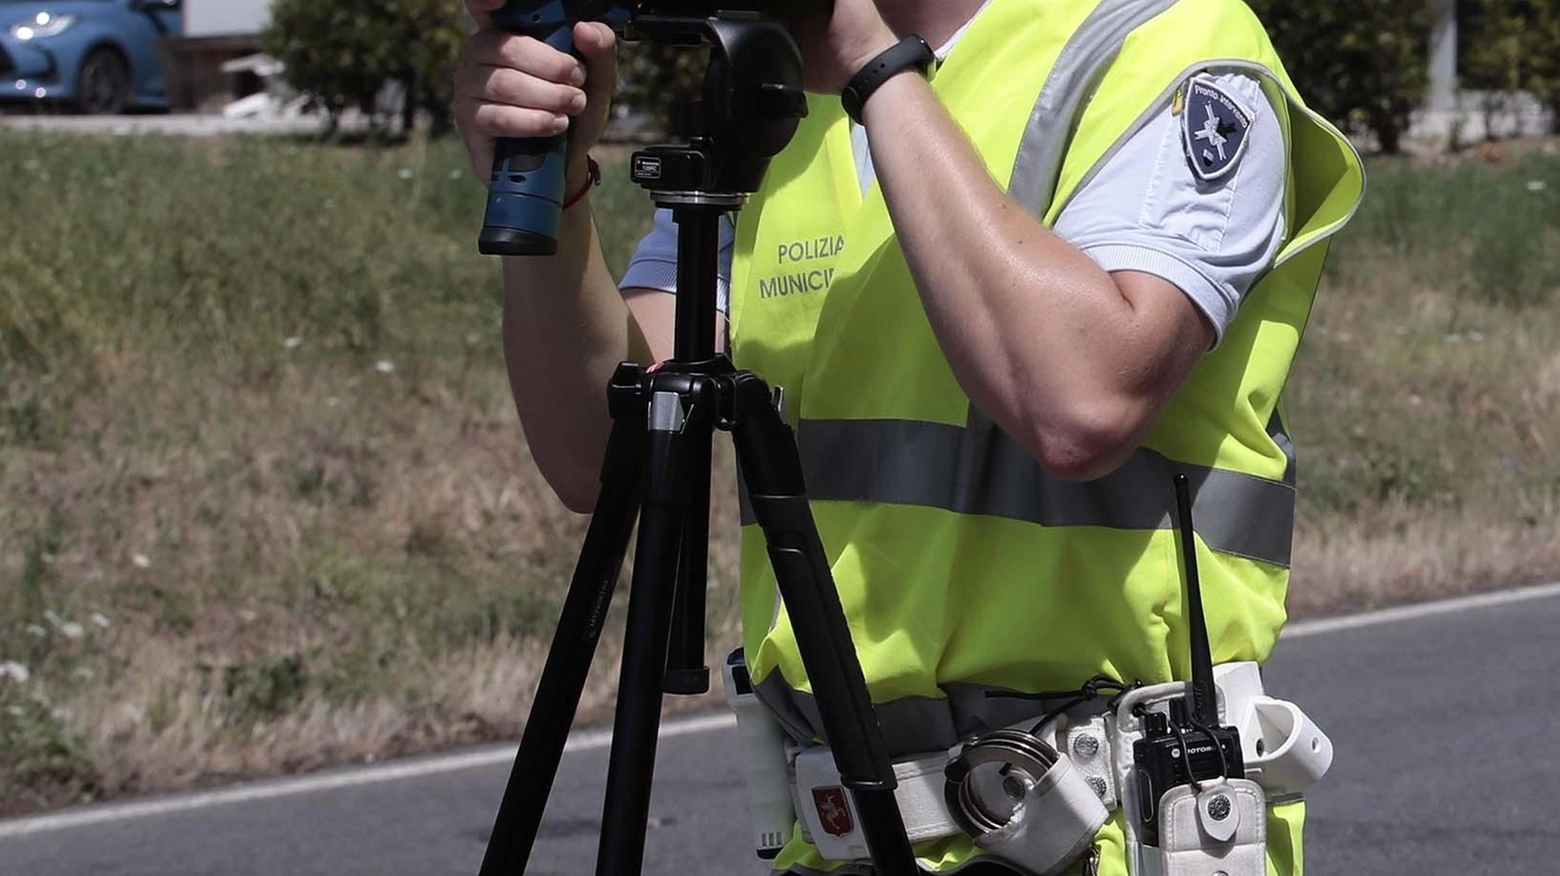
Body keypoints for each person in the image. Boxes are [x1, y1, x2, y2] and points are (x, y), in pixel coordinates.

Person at [454, 0, 1364, 874]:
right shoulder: (782, 106)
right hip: (847, 827)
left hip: (1106, 829)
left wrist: (876, 69)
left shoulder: (1164, 43)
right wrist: (555, 189)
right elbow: (599, 456)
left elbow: (1082, 403)